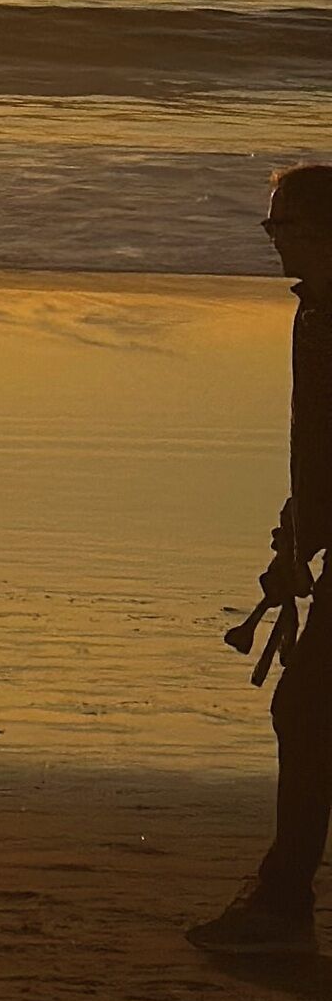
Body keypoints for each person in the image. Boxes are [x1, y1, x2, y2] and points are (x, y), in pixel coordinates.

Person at [190, 160, 332, 958]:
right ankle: (284, 902)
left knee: (306, 711)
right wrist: (296, 534)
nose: (274, 241)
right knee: (308, 711)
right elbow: (317, 447)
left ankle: (283, 909)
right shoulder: (314, 311)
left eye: (285, 226)